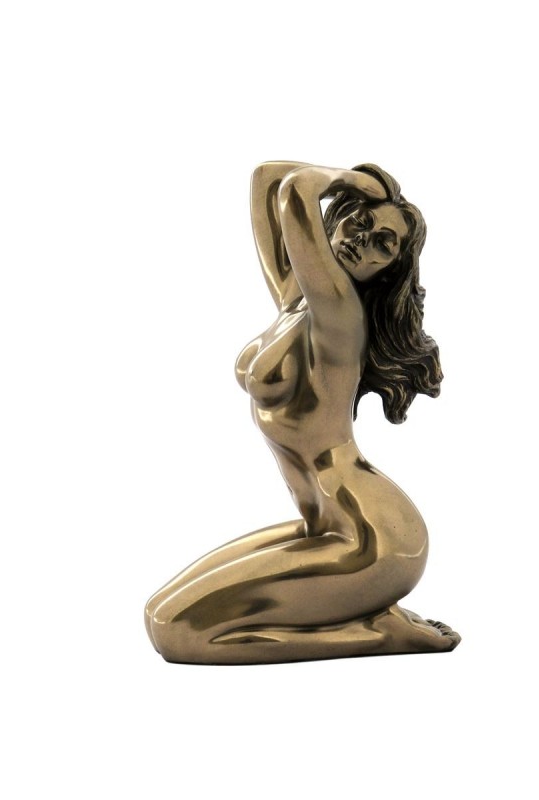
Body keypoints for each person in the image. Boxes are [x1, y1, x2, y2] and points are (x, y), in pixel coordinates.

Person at [144, 162, 460, 664]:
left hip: (374, 542)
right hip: (326, 527)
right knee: (157, 613)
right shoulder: (299, 298)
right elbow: (268, 177)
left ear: (389, 269)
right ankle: (370, 620)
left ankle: (381, 635)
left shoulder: (340, 312)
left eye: (384, 244)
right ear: (337, 218)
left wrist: (359, 185)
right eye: (359, 221)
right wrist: (361, 187)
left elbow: (297, 190)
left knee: (176, 633)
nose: (363, 241)